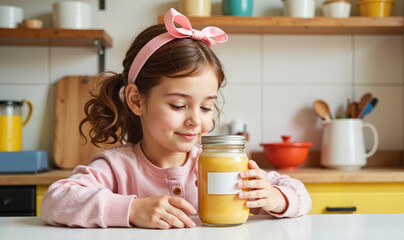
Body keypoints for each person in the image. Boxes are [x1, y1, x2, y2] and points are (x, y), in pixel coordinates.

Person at [41, 8, 312, 229]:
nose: (196, 120)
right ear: (137, 100)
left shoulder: (221, 165)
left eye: (206, 108)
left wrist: (275, 198)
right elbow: (55, 201)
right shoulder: (117, 168)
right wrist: (132, 209)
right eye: (179, 105)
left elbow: (300, 194)